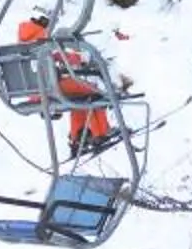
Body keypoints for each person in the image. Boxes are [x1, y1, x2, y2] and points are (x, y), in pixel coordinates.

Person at [17, 13, 118, 159]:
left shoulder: (20, 44)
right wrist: (79, 58)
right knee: (92, 90)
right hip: (51, 89)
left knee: (78, 96)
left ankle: (78, 138)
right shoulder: (42, 39)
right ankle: (100, 133)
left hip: (34, 93)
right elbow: (59, 56)